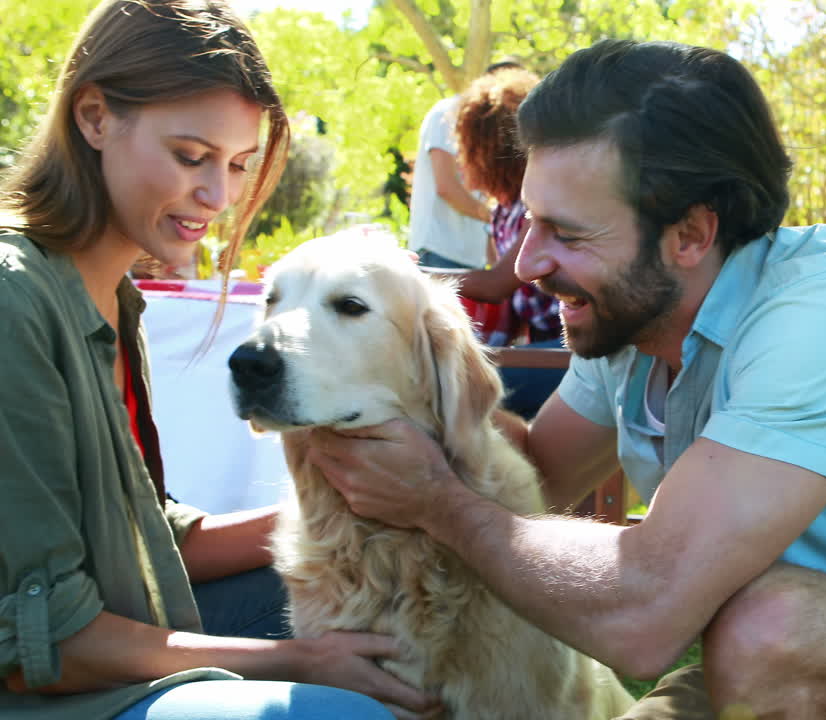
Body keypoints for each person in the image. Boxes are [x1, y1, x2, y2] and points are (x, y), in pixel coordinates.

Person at [303, 39, 826, 719]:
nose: (529, 264)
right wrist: (405, 388)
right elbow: (540, 473)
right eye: (529, 221)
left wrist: (438, 502)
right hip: (769, 669)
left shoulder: (821, 316)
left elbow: (645, 617)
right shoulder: (629, 318)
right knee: (763, 635)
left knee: (769, 627)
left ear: (691, 234)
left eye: (565, 233)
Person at [0, 2, 431, 719]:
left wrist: (355, 499)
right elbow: (47, 642)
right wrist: (300, 660)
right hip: (52, 695)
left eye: (237, 164)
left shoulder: (113, 296)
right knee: (343, 711)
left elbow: (149, 536)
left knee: (384, 596)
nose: (219, 197)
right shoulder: (15, 299)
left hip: (110, 652)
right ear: (95, 117)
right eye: (191, 157)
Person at [447, 66, 565, 419]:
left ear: (486, 148)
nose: (459, 158)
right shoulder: (502, 214)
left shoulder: (540, 207)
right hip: (543, 349)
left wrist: (411, 276)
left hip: (573, 353)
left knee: (461, 389)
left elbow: (495, 284)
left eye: (464, 146)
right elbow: (513, 312)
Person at [408, 60, 525, 270]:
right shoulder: (448, 113)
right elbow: (447, 187)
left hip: (473, 260)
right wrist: (499, 219)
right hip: (439, 252)